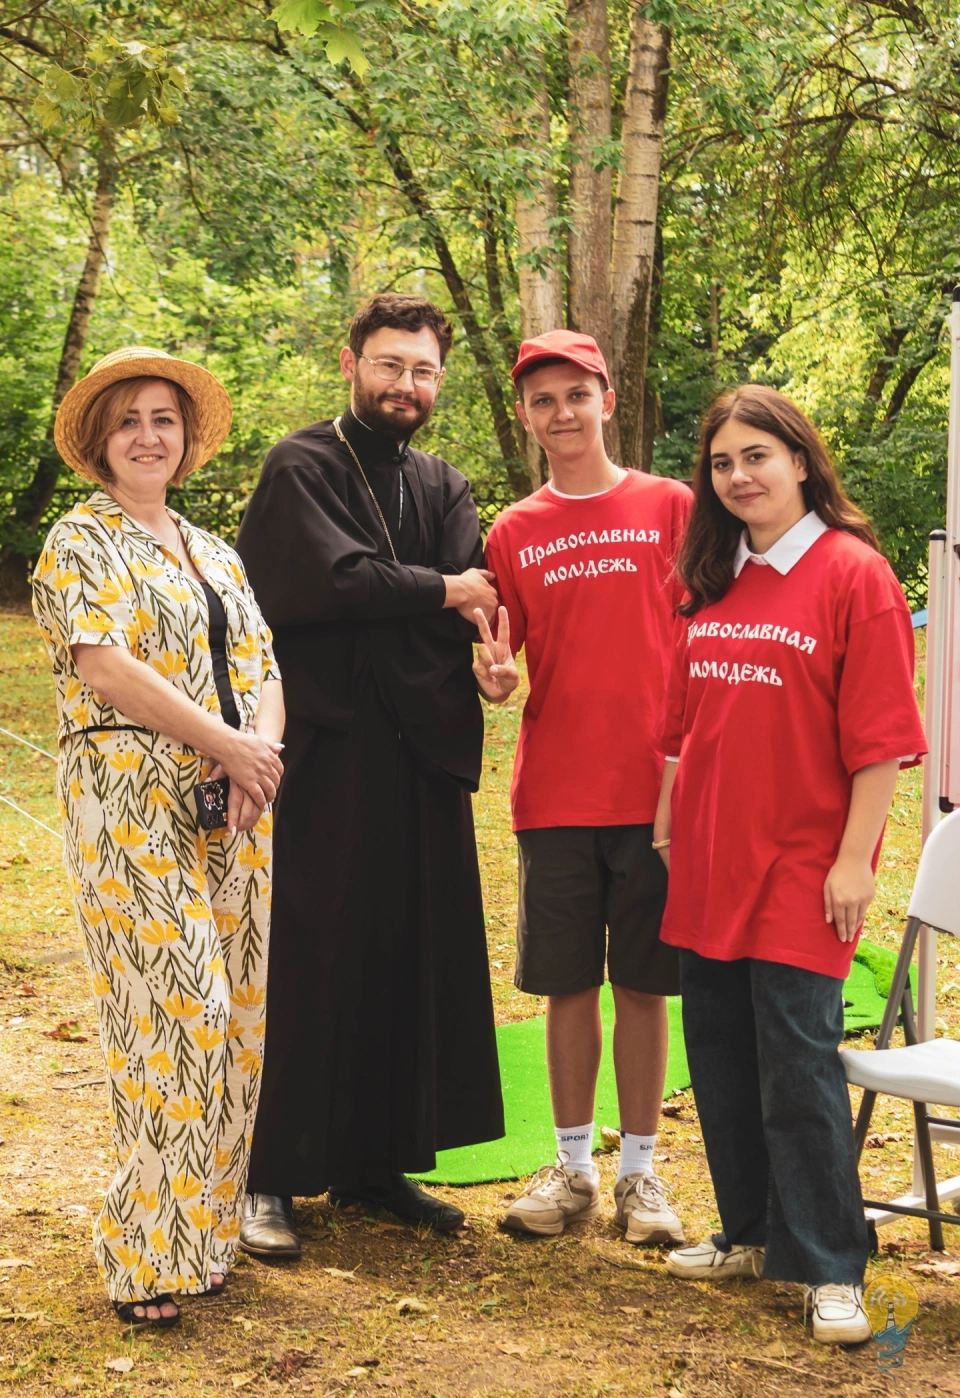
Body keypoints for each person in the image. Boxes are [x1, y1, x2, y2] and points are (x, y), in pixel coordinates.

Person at [654, 384, 926, 1344]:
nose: (739, 477)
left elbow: (882, 743)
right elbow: (683, 726)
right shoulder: (712, 575)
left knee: (798, 1068)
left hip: (807, 867)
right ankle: (750, 1231)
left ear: (802, 462)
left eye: (757, 456)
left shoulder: (855, 574)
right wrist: (667, 824)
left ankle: (831, 1264)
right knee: (721, 1054)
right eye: (722, 463)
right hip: (710, 860)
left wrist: (855, 863)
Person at [234, 293, 504, 1254]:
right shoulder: (300, 465)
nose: (406, 385)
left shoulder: (444, 483)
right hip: (325, 742)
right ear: (351, 364)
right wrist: (437, 590)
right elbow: (326, 583)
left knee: (404, 948)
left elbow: (471, 597)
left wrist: (451, 610)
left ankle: (375, 1163)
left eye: (423, 371)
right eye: (390, 365)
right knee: (309, 951)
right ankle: (268, 1174)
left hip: (417, 745)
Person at [31, 347, 285, 1328]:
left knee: (239, 1022)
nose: (148, 435)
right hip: (129, 799)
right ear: (102, 442)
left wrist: (256, 757)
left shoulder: (215, 551)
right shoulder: (79, 540)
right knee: (178, 1014)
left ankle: (203, 1238)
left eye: (164, 419)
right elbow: (103, 666)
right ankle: (143, 1253)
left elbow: (265, 667)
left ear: (185, 439)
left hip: (235, 803)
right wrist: (226, 743)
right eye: (129, 420)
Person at [477, 330, 691, 1242]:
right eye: (543, 400)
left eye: (576, 395)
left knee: (644, 986)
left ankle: (641, 1175)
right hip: (557, 795)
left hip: (657, 796)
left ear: (607, 399)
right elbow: (502, 658)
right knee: (565, 988)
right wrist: (495, 679)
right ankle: (572, 1170)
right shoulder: (513, 531)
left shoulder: (671, 506)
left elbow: (712, 626)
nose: (561, 413)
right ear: (527, 416)